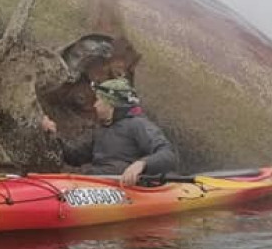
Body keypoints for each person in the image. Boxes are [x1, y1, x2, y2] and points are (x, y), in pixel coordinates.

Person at [40, 77, 179, 186]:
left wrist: (142, 164)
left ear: (110, 104)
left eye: (99, 100)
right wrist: (53, 133)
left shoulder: (138, 125)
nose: (95, 105)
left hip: (128, 187)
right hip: (98, 183)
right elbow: (74, 157)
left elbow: (168, 154)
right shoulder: (102, 129)